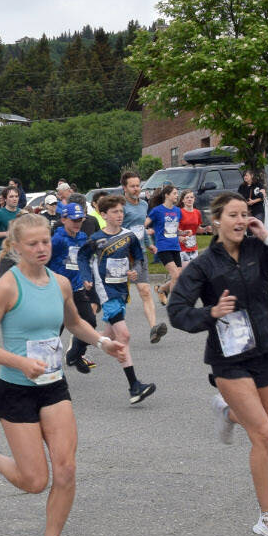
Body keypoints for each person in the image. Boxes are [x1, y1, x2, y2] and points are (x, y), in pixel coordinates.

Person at [0, 213, 131, 536]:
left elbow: (73, 323)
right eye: (33, 244)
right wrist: (19, 362)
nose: (41, 249)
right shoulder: (8, 287)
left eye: (45, 242)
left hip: (54, 385)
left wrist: (103, 342)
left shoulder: (60, 283)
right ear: (16, 247)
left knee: (67, 468)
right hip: (16, 389)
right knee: (35, 481)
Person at [167, 194, 268, 536]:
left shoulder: (259, 250)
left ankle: (228, 413)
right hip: (228, 358)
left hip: (264, 349)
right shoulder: (202, 265)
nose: (241, 219)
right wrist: (210, 313)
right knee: (262, 434)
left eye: (246, 214)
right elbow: (177, 311)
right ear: (217, 221)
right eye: (234, 215)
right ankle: (267, 517)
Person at [81, 194, 158, 404]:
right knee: (123, 336)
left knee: (107, 335)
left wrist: (134, 270)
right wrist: (87, 278)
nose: (120, 215)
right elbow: (82, 257)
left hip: (122, 290)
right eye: (115, 212)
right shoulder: (97, 238)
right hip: (106, 291)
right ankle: (134, 386)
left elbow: (139, 258)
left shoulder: (129, 235)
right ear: (104, 214)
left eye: (122, 212)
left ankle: (78, 344)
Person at [117, 171, 165, 342]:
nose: (137, 189)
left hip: (139, 254)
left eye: (138, 185)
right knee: (118, 297)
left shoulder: (144, 205)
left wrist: (149, 243)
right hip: (122, 255)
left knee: (144, 290)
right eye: (133, 186)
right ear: (124, 188)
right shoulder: (120, 206)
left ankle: (153, 328)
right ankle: (109, 331)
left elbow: (141, 227)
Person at [53, 203, 100, 374]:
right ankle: (43, 365)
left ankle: (75, 354)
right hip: (58, 291)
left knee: (90, 322)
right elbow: (43, 262)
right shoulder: (57, 240)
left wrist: (86, 278)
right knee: (53, 331)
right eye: (74, 220)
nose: (77, 223)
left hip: (78, 288)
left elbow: (84, 260)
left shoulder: (82, 238)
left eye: (80, 220)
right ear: (64, 219)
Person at [147, 184, 185, 301]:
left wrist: (182, 234)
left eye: (177, 193)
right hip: (163, 247)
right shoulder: (157, 210)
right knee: (176, 275)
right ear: (166, 195)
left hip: (175, 247)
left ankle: (162, 289)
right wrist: (146, 234)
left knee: (178, 277)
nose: (177, 195)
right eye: (174, 193)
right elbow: (144, 224)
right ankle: (175, 304)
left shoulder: (178, 211)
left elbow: (175, 230)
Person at [0, 187, 22, 253]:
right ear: (5, 199)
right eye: (11, 197)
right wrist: (7, 233)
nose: (14, 199)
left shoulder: (22, 213)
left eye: (16, 196)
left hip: (20, 252)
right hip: (4, 253)